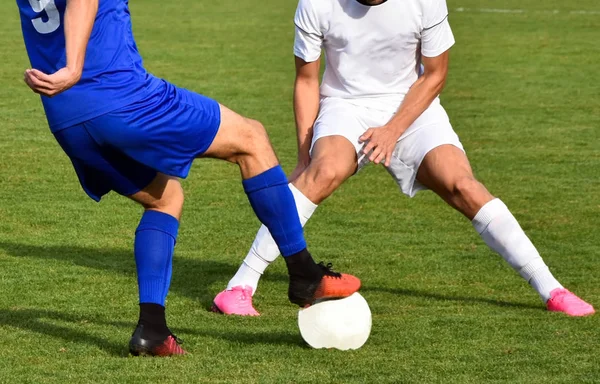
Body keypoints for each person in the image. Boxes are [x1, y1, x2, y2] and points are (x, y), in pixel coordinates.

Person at [15, 0, 361, 357]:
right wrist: (74, 66)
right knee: (252, 140)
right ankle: (304, 273)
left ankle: (152, 329)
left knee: (164, 199)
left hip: (65, 115)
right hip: (120, 97)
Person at [212, 0, 594, 317]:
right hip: (346, 105)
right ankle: (239, 287)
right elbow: (308, 80)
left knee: (463, 185)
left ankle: (552, 290)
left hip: (413, 107)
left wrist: (393, 129)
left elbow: (435, 74)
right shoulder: (317, 2)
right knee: (322, 172)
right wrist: (303, 155)